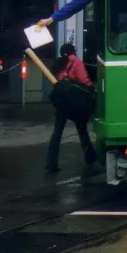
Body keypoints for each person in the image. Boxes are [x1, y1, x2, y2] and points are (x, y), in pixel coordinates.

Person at [45, 43, 98, 174]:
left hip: (61, 104)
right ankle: (90, 157)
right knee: (82, 130)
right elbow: (84, 80)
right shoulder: (77, 63)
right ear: (73, 51)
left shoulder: (58, 64)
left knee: (57, 133)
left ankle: (51, 164)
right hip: (75, 104)